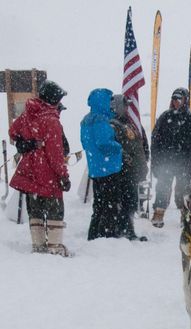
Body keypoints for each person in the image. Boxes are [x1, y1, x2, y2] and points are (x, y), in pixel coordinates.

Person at [9, 80, 72, 256]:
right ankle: (54, 247)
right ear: (53, 100)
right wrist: (63, 175)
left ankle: (38, 245)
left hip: (29, 170)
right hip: (47, 172)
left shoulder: (28, 114)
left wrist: (24, 143)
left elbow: (13, 131)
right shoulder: (51, 120)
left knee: (34, 208)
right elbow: (56, 154)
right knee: (55, 209)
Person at [150, 88, 191, 227]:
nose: (176, 102)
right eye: (174, 99)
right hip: (166, 163)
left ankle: (185, 216)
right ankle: (158, 214)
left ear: (185, 100)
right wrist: (155, 163)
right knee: (162, 188)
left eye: (179, 99)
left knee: (184, 191)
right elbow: (155, 141)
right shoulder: (165, 117)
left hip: (184, 164)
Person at [81, 88, 124, 240]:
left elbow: (86, 144)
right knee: (110, 205)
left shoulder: (87, 120)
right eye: (109, 100)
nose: (111, 103)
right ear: (102, 102)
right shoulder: (100, 120)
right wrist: (119, 146)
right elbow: (104, 143)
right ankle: (107, 236)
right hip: (108, 168)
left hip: (96, 168)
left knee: (99, 205)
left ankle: (94, 235)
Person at [110, 94, 149, 241]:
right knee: (125, 203)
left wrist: (145, 159)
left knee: (132, 202)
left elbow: (141, 142)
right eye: (125, 105)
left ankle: (127, 228)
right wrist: (128, 160)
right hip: (124, 172)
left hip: (135, 171)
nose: (127, 107)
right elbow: (117, 147)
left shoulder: (131, 123)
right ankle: (124, 230)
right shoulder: (114, 125)